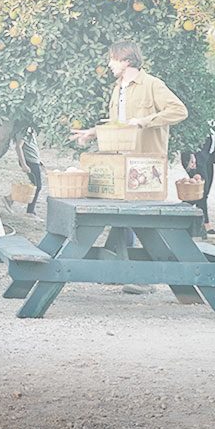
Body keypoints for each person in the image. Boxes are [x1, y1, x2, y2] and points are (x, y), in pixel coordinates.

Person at [70, 40, 187, 294]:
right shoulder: (117, 90)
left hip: (146, 165)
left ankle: (148, 279)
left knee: (143, 221)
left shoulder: (152, 84)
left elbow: (179, 111)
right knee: (122, 218)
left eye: (112, 59)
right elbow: (118, 125)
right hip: (121, 163)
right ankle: (119, 271)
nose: (109, 64)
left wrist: (144, 121)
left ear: (126, 60)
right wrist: (92, 133)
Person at [182, 122, 215, 238]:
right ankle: (205, 224)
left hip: (208, 158)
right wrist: (190, 155)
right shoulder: (199, 118)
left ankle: (181, 212)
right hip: (195, 159)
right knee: (201, 191)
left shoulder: (214, 120)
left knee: (203, 192)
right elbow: (187, 137)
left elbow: (213, 138)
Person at [2, 127, 44, 217]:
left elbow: (31, 146)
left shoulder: (29, 128)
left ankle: (10, 198)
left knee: (33, 185)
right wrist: (23, 164)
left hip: (33, 160)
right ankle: (30, 211)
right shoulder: (24, 129)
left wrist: (38, 161)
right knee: (37, 186)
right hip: (30, 161)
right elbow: (18, 147)